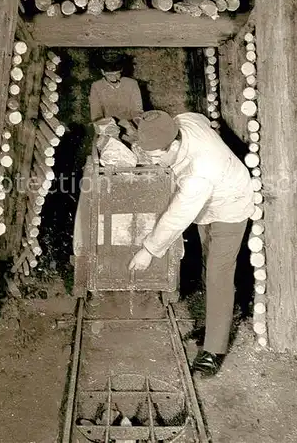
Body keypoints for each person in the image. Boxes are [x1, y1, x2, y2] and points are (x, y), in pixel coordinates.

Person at [128, 110, 255, 376]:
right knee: (209, 268)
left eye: (157, 157)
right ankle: (214, 324)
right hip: (209, 203)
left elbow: (176, 217)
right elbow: (197, 117)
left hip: (230, 204)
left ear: (173, 145)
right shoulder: (182, 123)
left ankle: (214, 350)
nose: (157, 163)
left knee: (219, 274)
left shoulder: (200, 172)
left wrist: (149, 250)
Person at [89, 52, 143, 122]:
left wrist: (136, 122)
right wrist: (106, 126)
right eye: (110, 75)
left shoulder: (132, 84)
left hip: (130, 124)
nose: (114, 79)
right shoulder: (96, 86)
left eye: (117, 74)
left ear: (121, 70)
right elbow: (96, 114)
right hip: (107, 126)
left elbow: (137, 110)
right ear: (102, 72)